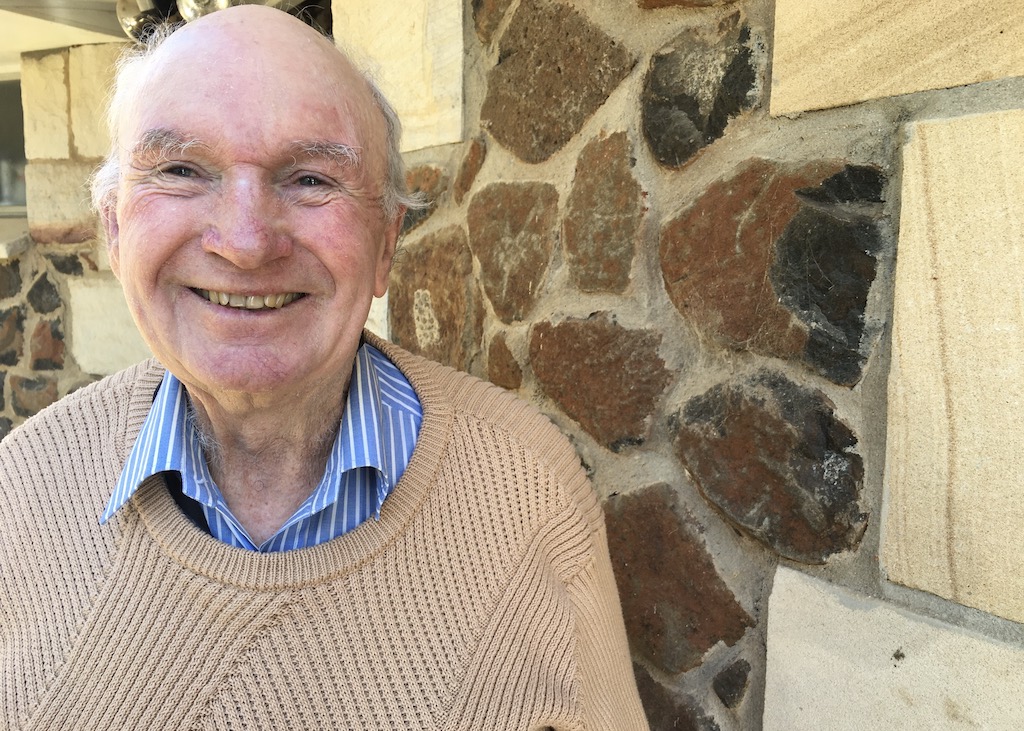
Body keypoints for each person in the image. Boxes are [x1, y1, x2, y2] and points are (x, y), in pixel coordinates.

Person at [0, 5, 648, 729]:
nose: (246, 242)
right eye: (182, 170)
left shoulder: (528, 494)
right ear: (115, 230)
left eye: (310, 179)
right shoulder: (18, 492)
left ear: (385, 244)